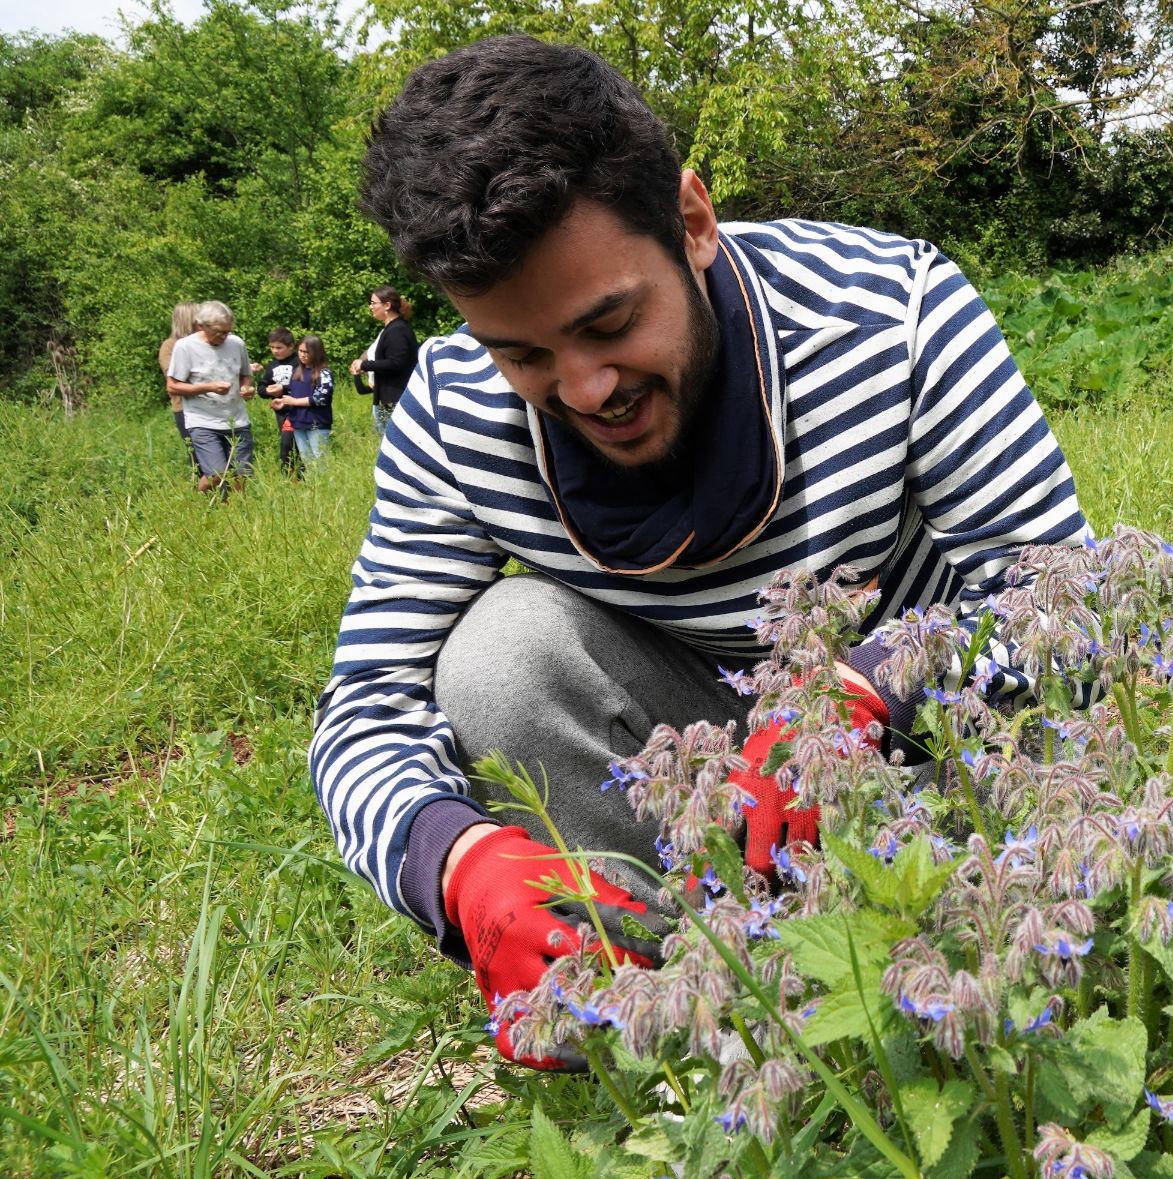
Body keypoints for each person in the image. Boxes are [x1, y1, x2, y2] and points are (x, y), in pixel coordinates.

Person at [310, 34, 1088, 1070]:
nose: (586, 389)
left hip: (926, 745)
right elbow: (365, 708)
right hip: (690, 771)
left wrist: (860, 700)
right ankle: (677, 1014)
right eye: (524, 353)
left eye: (609, 322)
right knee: (500, 655)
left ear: (691, 221)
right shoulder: (453, 420)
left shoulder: (892, 314)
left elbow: (1069, 602)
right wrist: (449, 859)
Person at [165, 301, 255, 494]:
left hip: (237, 419)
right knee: (217, 474)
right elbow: (172, 386)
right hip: (203, 421)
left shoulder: (236, 343)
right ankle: (199, 502)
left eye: (227, 331)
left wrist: (247, 387)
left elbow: (245, 374)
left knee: (241, 473)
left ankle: (235, 512)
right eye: (219, 332)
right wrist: (208, 387)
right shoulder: (185, 347)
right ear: (201, 326)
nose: (224, 336)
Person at [348, 286, 416, 434]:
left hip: (396, 398)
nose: (370, 306)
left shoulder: (397, 330)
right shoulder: (390, 329)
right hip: (386, 398)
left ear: (387, 305)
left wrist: (364, 364)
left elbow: (396, 362)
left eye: (373, 303)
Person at [271, 335, 333, 463]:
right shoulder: (297, 372)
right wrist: (283, 402)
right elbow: (295, 395)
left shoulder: (324, 373)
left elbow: (321, 398)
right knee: (307, 461)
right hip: (298, 423)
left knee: (320, 461)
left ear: (316, 352)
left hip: (317, 425)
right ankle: (311, 483)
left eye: (307, 352)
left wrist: (293, 401)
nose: (303, 355)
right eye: (300, 351)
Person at [158, 302, 199, 466]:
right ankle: (199, 490)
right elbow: (174, 379)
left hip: (211, 407)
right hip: (185, 409)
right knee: (197, 458)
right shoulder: (169, 346)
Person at [256, 328, 300, 474]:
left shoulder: (298, 362)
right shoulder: (272, 366)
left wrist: (284, 388)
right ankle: (294, 478)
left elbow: (305, 385)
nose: (275, 351)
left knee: (288, 444)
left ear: (291, 346)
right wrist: (267, 391)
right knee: (289, 444)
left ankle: (289, 476)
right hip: (281, 413)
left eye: (279, 348)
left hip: (299, 410)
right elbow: (261, 386)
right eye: (272, 347)